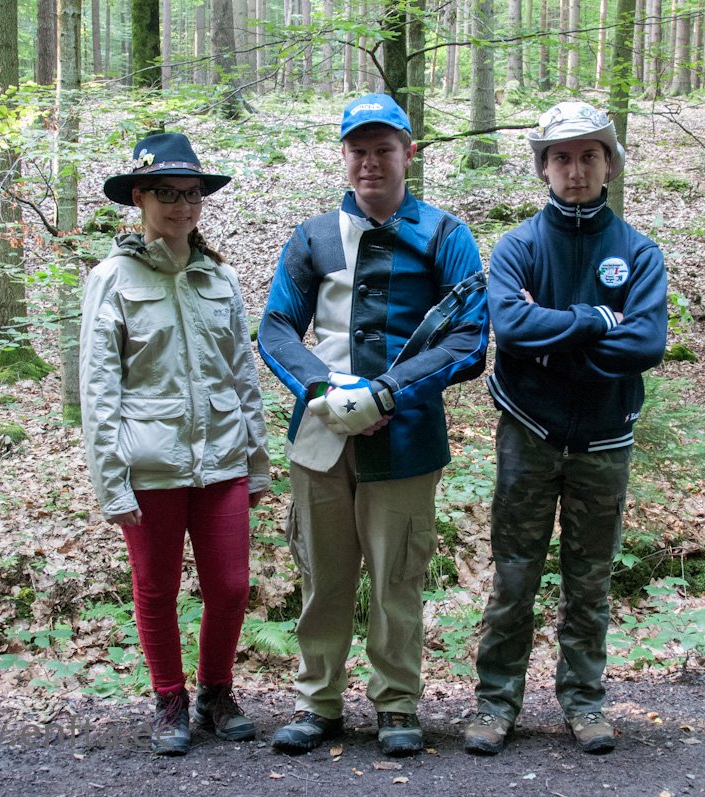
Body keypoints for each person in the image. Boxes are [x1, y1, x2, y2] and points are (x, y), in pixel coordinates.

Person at [258, 94, 489, 757]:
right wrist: (319, 387)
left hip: (406, 435)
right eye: (357, 150)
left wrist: (389, 392)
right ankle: (317, 702)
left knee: (397, 578)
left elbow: (470, 339)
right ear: (344, 155)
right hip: (319, 435)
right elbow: (276, 325)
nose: (369, 163)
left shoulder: (444, 236)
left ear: (408, 153)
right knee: (322, 575)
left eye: (383, 149)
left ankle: (396, 704)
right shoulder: (313, 236)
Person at [464, 101, 668, 756]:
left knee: (590, 579)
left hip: (604, 438)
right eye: (561, 158)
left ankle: (584, 700)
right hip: (528, 431)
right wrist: (596, 321)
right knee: (514, 575)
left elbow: (646, 343)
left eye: (588, 156)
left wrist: (552, 344)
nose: (575, 170)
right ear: (544, 168)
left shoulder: (638, 253)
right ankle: (495, 703)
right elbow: (510, 327)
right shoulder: (519, 247)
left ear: (610, 164)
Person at [80, 132, 270, 756]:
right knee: (157, 589)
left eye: (192, 194)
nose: (182, 206)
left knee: (231, 587)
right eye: (167, 193)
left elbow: (242, 376)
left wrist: (257, 462)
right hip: (149, 464)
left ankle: (217, 692)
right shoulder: (112, 278)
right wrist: (111, 482)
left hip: (223, 460)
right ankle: (170, 699)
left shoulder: (220, 278)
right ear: (139, 197)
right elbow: (99, 389)